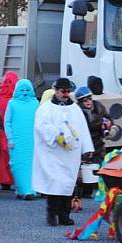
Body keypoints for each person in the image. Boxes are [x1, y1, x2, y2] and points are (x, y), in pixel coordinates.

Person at [32, 78, 94, 226]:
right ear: (56, 91)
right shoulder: (46, 108)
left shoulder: (75, 109)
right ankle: (52, 214)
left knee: (68, 184)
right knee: (55, 184)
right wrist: (57, 135)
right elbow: (41, 126)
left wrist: (87, 148)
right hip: (53, 153)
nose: (66, 94)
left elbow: (83, 129)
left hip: (69, 155)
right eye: (63, 91)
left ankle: (65, 215)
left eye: (68, 91)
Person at [4, 79, 39, 199]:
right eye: (22, 90)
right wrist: (10, 139)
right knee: (18, 165)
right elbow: (7, 122)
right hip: (17, 141)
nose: (24, 92)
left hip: (32, 141)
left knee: (32, 165)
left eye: (27, 90)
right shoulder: (12, 103)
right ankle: (21, 189)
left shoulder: (35, 103)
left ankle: (31, 190)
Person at [0, 71, 19, 190]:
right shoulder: (17, 99)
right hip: (14, 131)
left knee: (3, 155)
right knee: (13, 155)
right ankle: (14, 179)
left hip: (1, 130)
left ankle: (5, 181)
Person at [75, 86, 111, 163]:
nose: (88, 102)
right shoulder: (76, 110)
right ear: (80, 102)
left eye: (90, 98)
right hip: (83, 145)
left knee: (100, 166)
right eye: (85, 100)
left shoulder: (98, 106)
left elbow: (107, 118)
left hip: (98, 144)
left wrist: (109, 126)